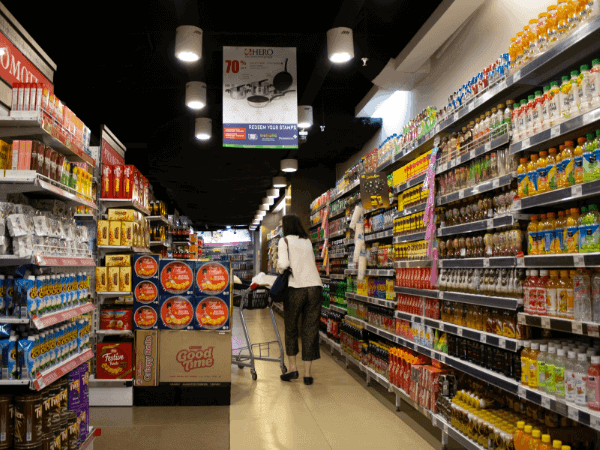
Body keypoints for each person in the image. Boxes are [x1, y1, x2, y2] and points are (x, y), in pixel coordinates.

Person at [276, 214, 323, 385]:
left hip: (295, 288)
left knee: (291, 328)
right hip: (315, 287)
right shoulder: (307, 241)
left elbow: (283, 264)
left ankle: (293, 369)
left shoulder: (284, 241)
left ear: (286, 227)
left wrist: (280, 270)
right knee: (310, 329)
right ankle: (308, 374)